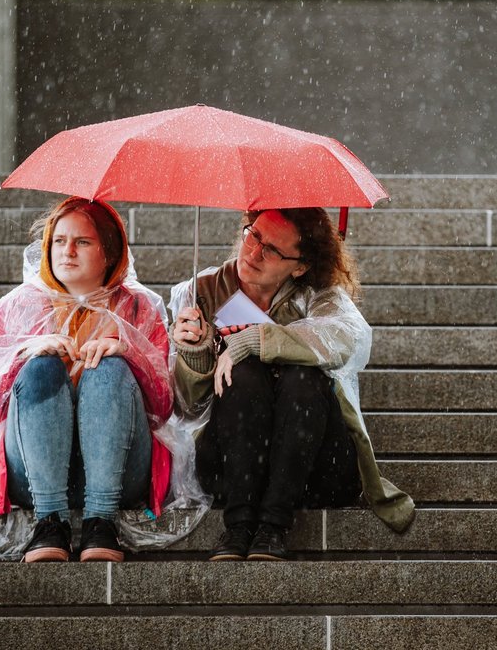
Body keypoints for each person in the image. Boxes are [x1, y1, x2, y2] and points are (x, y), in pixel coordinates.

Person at [0, 197, 208, 561]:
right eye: (58, 240)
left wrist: (127, 352)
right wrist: (25, 352)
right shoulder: (15, 306)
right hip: (33, 476)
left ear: (109, 252)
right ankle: (49, 522)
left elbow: (162, 410)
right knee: (41, 367)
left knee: (108, 367)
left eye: (82, 242)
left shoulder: (138, 308)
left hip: (123, 471)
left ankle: (102, 522)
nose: (67, 251)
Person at [170, 207, 414, 561]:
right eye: (253, 235)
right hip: (227, 465)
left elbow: (346, 338)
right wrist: (194, 355)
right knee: (246, 374)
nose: (253, 253)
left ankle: (272, 525)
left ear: (299, 266)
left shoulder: (319, 296)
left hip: (313, 468)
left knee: (303, 375)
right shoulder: (201, 292)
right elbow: (186, 408)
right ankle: (238, 526)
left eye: (272, 249)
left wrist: (255, 341)